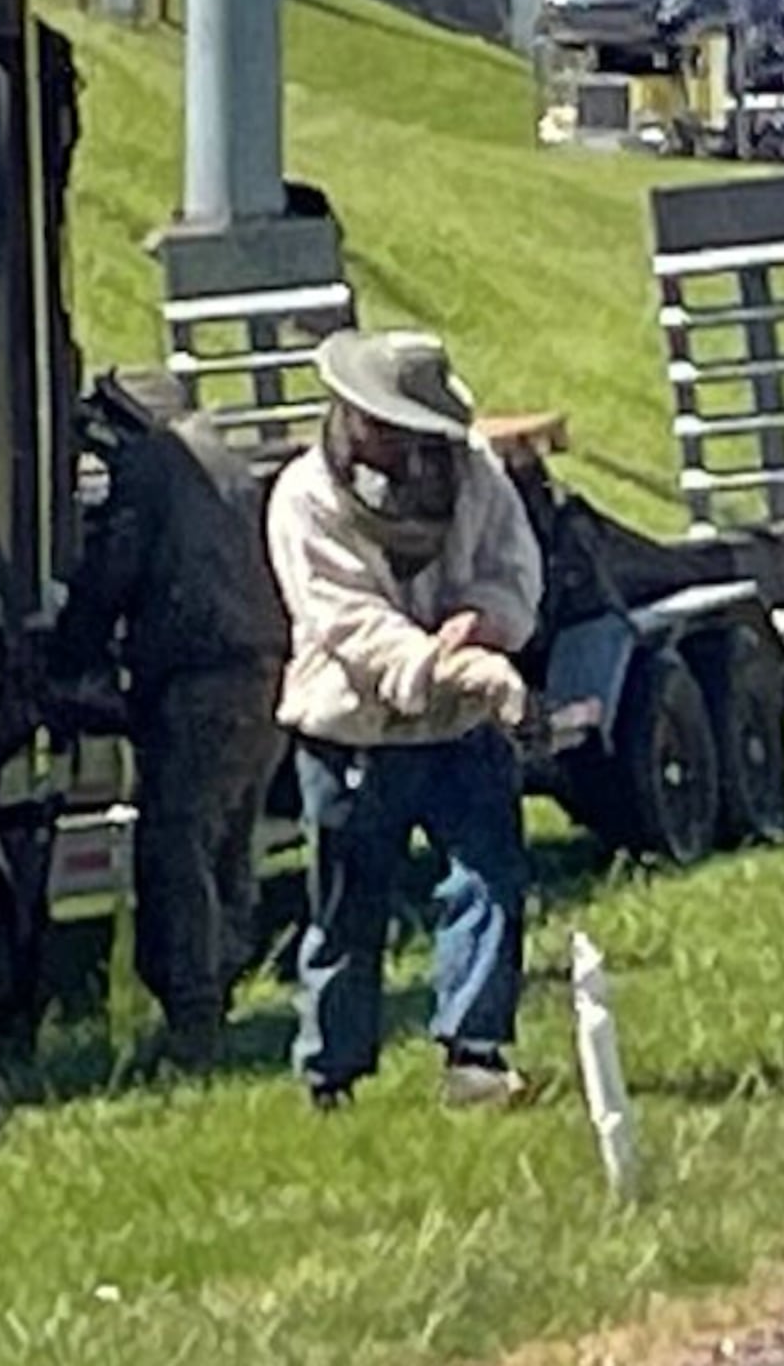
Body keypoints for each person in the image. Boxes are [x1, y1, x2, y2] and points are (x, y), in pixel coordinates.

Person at [264, 328, 544, 1112]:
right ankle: (332, 1078)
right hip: (352, 732)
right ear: (354, 415)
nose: (398, 442)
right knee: (349, 911)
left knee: (491, 880)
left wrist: (487, 620)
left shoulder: (477, 475)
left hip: (462, 731)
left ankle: (474, 1058)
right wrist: (442, 663)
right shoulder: (305, 498)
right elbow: (343, 619)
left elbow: (514, 567)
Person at [48, 368, 290, 1073]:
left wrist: (71, 652)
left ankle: (194, 1025)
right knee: (228, 843)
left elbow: (113, 572)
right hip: (263, 672)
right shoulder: (230, 457)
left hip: (200, 680)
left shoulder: (155, 464)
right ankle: (219, 994)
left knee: (176, 847)